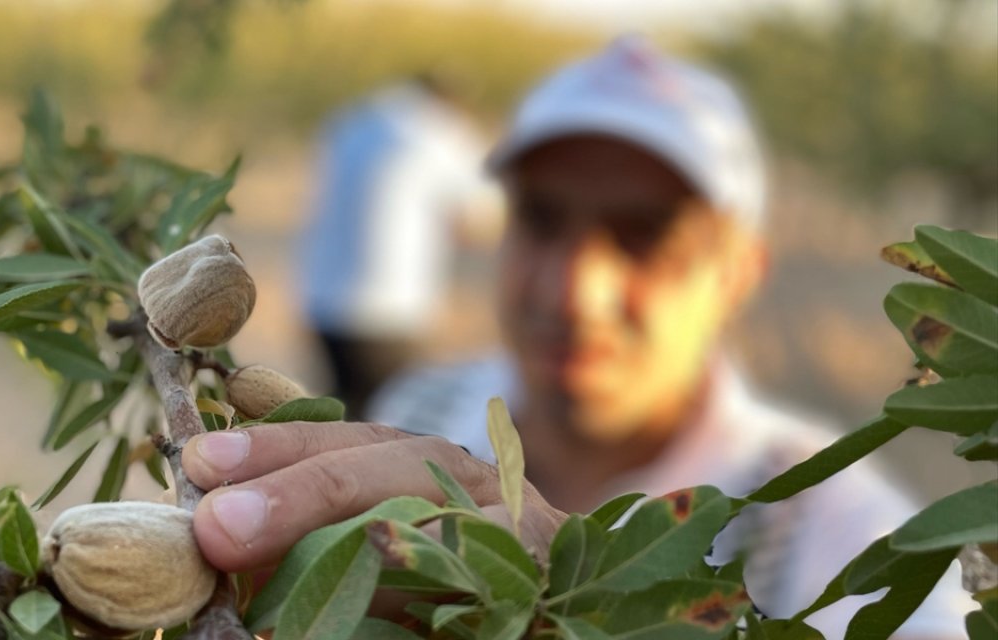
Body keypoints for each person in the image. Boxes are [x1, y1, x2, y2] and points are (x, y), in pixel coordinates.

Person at [180, 37, 971, 637]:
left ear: (738, 273)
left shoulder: (841, 534)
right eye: (542, 218)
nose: (573, 292)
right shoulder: (426, 405)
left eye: (643, 236)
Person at [297, 74, 498, 419]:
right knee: (392, 426)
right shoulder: (439, 132)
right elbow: (482, 219)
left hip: (323, 302)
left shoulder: (353, 121)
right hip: (391, 311)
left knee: (340, 419)